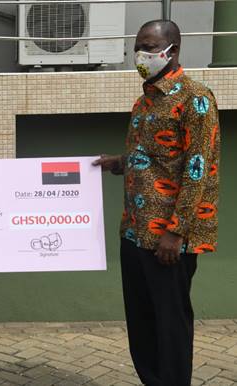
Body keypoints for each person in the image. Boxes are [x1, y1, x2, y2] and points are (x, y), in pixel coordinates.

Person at [94, 20, 220, 386]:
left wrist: (176, 233)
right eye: (138, 47)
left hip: (167, 238)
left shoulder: (194, 99)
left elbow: (198, 171)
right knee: (142, 320)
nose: (141, 56)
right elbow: (157, 157)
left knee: (171, 323)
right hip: (134, 232)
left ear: (173, 50)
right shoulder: (145, 100)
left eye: (149, 47)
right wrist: (119, 162)